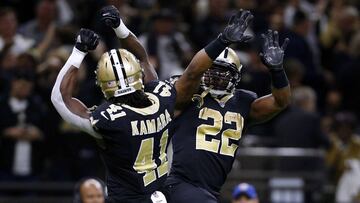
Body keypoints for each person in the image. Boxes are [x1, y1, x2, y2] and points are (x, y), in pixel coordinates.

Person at [51, 5, 253, 203]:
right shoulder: (161, 98)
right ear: (138, 76)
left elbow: (59, 98)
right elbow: (150, 59)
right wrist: (120, 26)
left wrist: (78, 52)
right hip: (160, 196)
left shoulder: (105, 120)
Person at [164, 30, 291, 203]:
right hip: (182, 184)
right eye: (212, 70)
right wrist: (221, 41)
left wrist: (277, 71)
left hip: (211, 189)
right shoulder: (189, 96)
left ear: (236, 76)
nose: (216, 76)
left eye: (222, 72)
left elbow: (280, 101)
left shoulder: (244, 102)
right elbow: (192, 72)